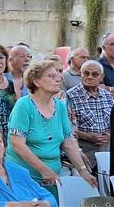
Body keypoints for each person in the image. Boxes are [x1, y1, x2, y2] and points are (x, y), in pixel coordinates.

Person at [7, 60, 97, 200]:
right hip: (23, 178)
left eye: (58, 75)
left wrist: (83, 170)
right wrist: (44, 170)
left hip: (52, 179)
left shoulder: (60, 106)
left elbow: (68, 142)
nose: (58, 78)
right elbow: (17, 144)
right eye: (51, 76)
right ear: (36, 82)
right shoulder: (23, 105)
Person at [0, 123, 57, 207]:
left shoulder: (19, 170)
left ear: (4, 146)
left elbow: (49, 197)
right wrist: (17, 206)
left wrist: (45, 204)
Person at [67, 60, 113, 170]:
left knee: (107, 183)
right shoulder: (70, 96)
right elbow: (66, 127)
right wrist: (87, 136)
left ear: (101, 77)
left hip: (107, 148)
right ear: (80, 74)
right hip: (84, 150)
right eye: (86, 73)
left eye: (95, 74)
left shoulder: (107, 96)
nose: (90, 77)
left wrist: (110, 135)